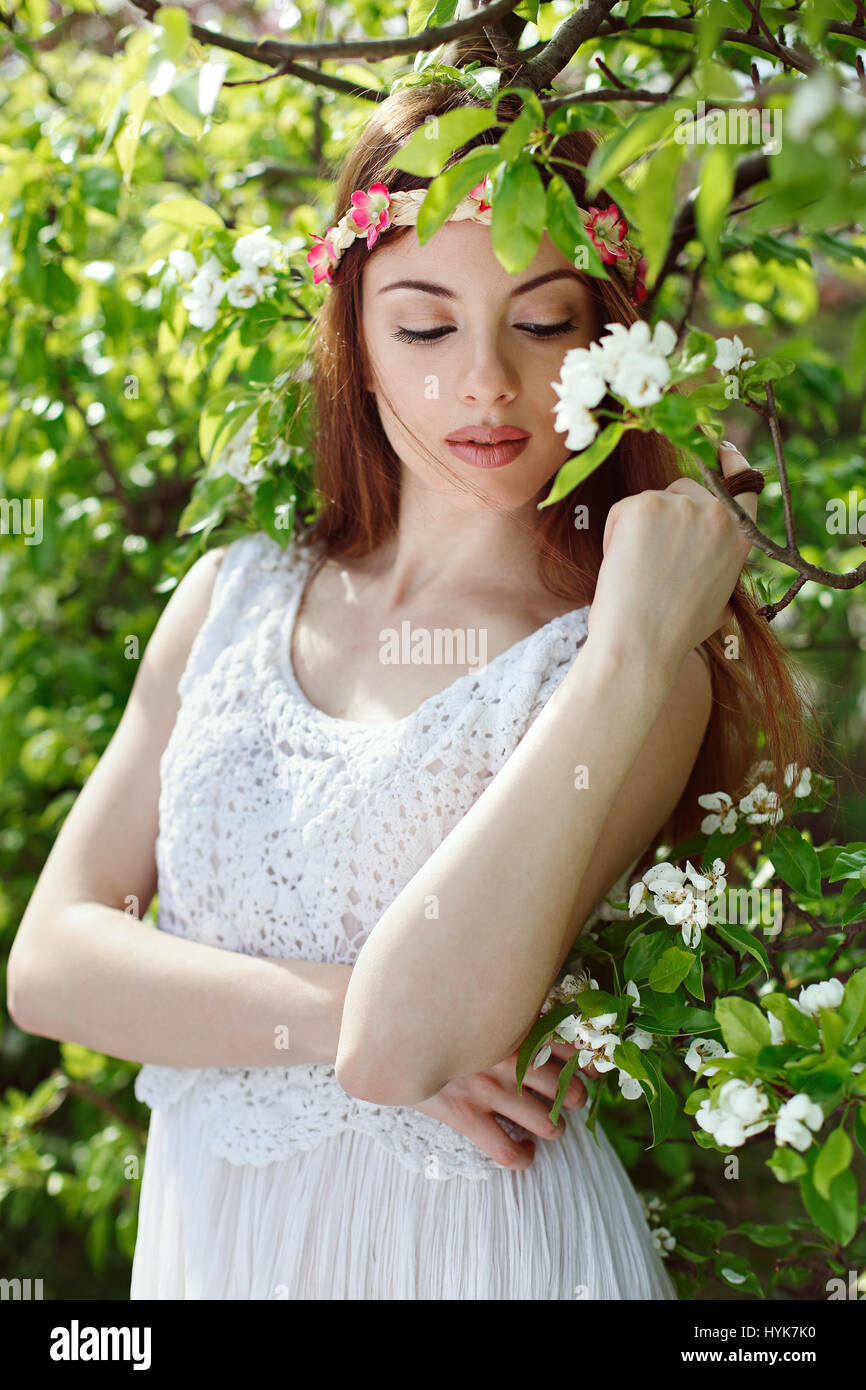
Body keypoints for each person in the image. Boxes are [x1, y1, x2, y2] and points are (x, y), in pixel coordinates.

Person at [7, 81, 814, 1300]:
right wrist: (362, 1015)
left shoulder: (615, 666)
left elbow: (398, 1049)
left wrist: (637, 644)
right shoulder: (234, 593)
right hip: (221, 1249)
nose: (484, 382)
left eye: (540, 324)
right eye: (424, 328)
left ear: (602, 348)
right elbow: (53, 966)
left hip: (468, 1252)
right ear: (357, 341)